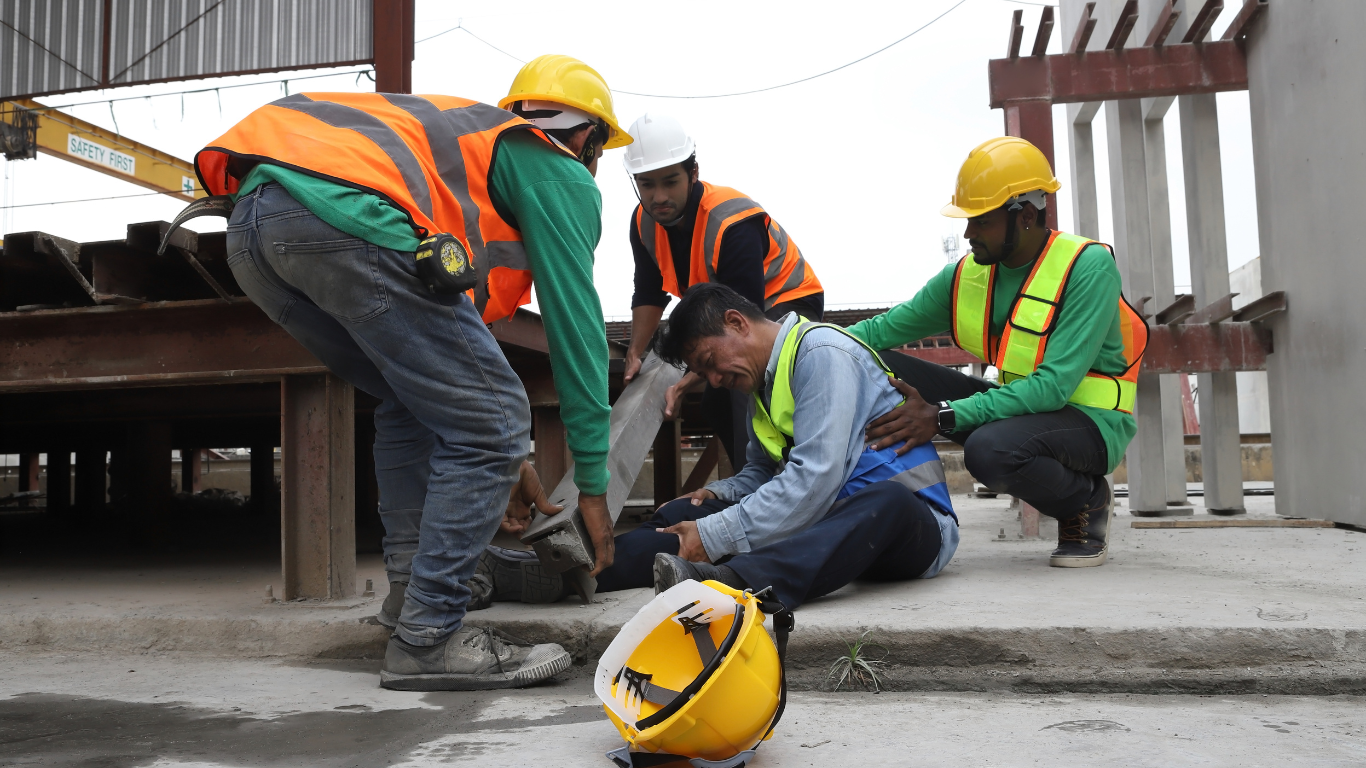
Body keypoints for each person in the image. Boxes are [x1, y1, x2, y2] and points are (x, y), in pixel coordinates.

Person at [194, 54, 630, 690]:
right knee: (497, 418)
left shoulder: (468, 160)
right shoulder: (556, 168)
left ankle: (410, 607)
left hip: (255, 228)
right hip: (341, 217)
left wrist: (510, 462)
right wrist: (592, 484)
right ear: (588, 139)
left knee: (410, 402)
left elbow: (449, 378)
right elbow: (577, 326)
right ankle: (430, 638)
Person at [847, 137, 1147, 568]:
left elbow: (1053, 388)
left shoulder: (1088, 268)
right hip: (1022, 411)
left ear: (1025, 216)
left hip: (1089, 424)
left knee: (989, 451)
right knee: (874, 361)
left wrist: (942, 414)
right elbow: (877, 331)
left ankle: (1086, 500)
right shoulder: (967, 276)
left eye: (981, 221)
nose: (968, 233)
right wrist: (798, 345)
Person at [595, 283, 959, 610]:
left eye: (709, 363)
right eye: (704, 376)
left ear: (737, 322)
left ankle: (732, 582)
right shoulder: (762, 384)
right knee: (683, 515)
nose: (716, 381)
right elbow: (762, 474)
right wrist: (717, 493)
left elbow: (815, 478)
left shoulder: (823, 353)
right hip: (824, 520)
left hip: (911, 526)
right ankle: (583, 570)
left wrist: (716, 534)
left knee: (887, 500)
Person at [620, 114, 824, 467]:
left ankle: (776, 487)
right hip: (728, 314)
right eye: (646, 184)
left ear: (693, 173)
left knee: (743, 386)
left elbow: (743, 327)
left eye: (670, 182)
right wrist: (635, 352)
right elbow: (650, 292)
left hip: (785, 303)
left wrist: (683, 385)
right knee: (716, 404)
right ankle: (753, 482)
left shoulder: (732, 221)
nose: (659, 196)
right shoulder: (643, 224)